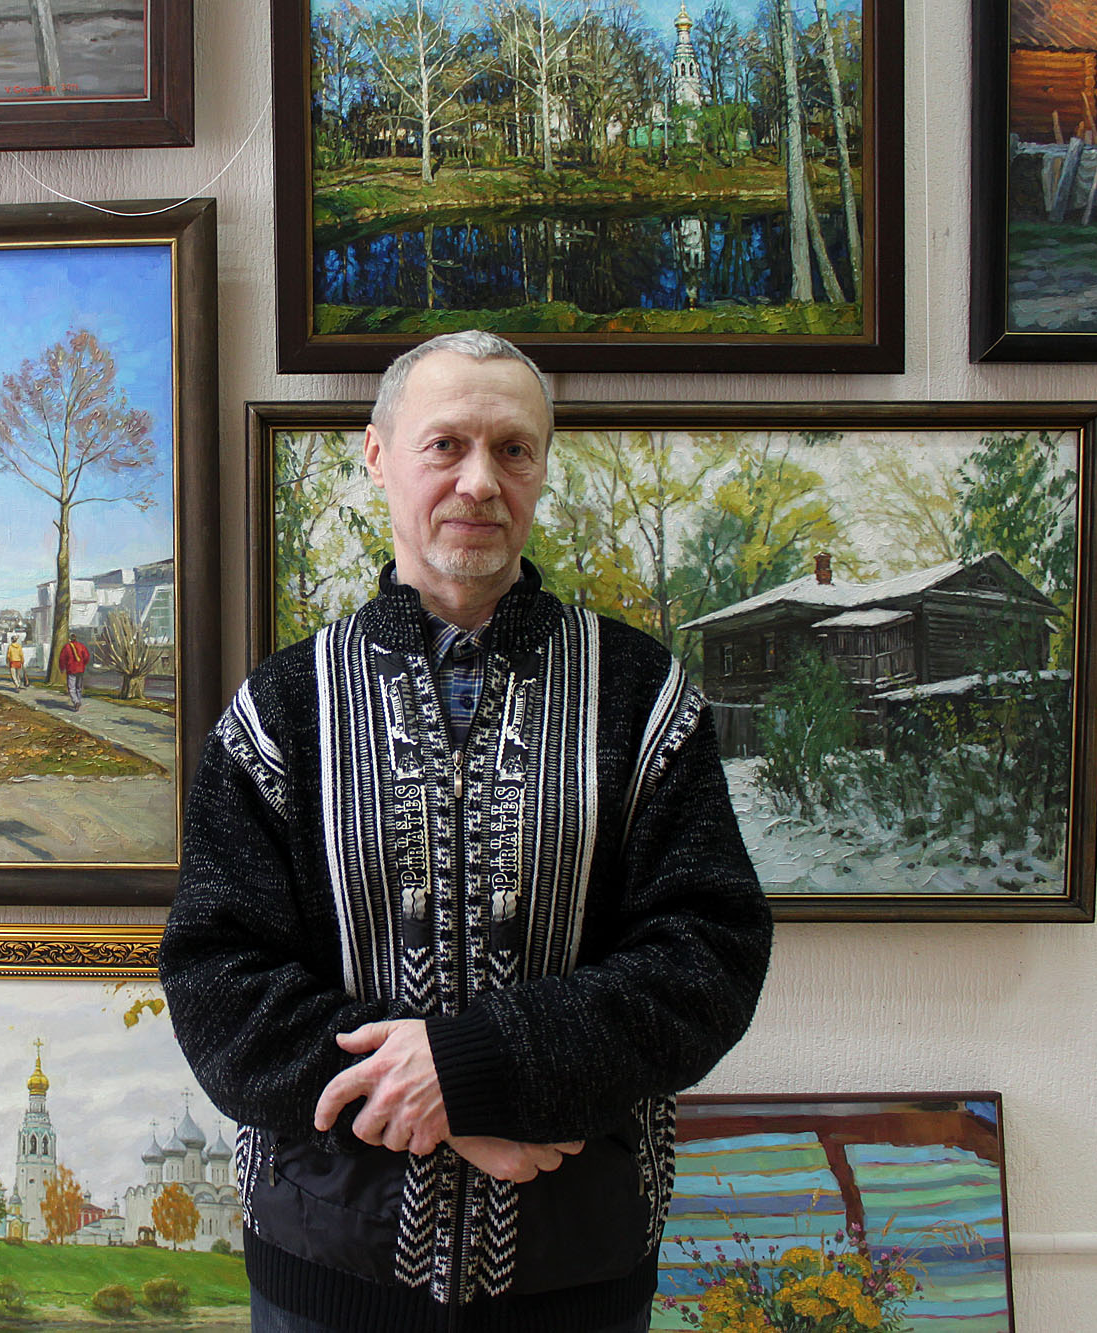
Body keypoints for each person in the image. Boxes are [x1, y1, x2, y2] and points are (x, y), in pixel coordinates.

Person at [161, 331, 773, 1333]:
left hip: (576, 1274)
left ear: (542, 466)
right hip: (324, 1272)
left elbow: (708, 958)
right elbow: (215, 981)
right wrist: (438, 1107)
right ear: (377, 456)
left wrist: (475, 1069)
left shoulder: (641, 696)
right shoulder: (280, 707)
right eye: (445, 444)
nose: (480, 481)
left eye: (512, 449)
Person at [59, 634, 91, 710]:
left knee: (71, 688)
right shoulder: (81, 646)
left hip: (71, 669)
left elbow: (62, 659)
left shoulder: (66, 647)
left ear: (69, 639)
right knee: (78, 687)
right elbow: (86, 656)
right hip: (80, 669)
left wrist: (62, 668)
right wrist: (83, 664)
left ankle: (76, 702)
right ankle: (78, 701)